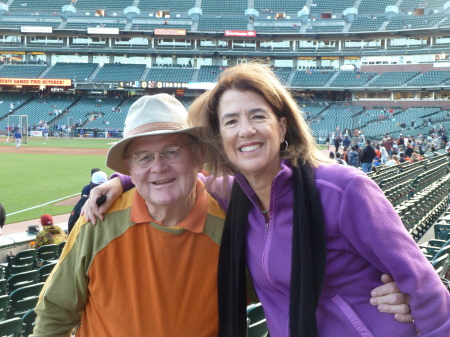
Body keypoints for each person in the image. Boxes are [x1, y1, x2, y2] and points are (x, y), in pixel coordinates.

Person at [84, 65, 432, 336]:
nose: (245, 130)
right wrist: (124, 180)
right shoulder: (234, 194)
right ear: (220, 137)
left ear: (281, 126)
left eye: (257, 116)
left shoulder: (342, 190)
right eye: (231, 121)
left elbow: (423, 286)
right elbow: (180, 175)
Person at [33, 94, 225, 336]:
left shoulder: (229, 227)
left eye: (172, 151)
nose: (158, 166)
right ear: (129, 169)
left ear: (198, 157)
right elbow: (55, 314)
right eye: (143, 157)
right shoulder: (96, 221)